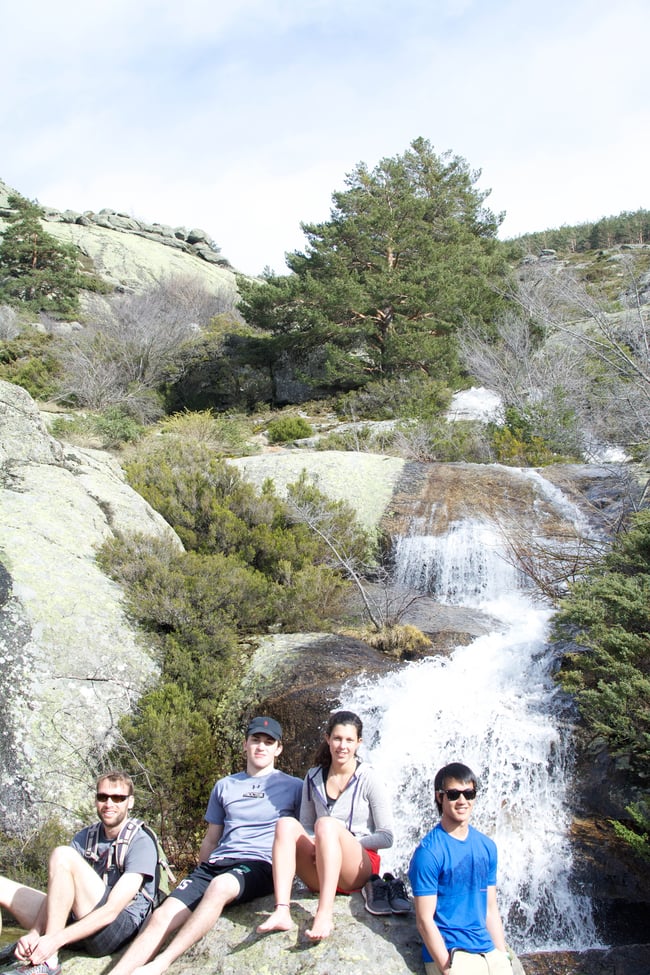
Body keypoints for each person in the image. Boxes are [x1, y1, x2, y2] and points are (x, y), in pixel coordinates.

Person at [106, 716, 301, 975]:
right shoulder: (225, 786)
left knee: (221, 887)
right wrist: (201, 873)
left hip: (259, 865)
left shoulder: (295, 787)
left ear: (278, 748)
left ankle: (161, 964)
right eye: (255, 740)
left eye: (268, 742)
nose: (261, 747)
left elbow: (300, 835)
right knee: (162, 916)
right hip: (217, 864)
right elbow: (212, 837)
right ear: (245, 744)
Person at [0, 770, 158, 975]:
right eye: (103, 797)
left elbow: (112, 911)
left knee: (62, 855)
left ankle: (48, 961)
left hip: (116, 930)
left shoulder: (141, 841)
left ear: (130, 802)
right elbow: (58, 892)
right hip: (77, 924)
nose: (109, 804)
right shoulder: (85, 837)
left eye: (118, 798)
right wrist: (35, 933)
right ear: (96, 800)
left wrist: (53, 941)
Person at [257, 709, 393, 940]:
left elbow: (387, 836)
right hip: (319, 867)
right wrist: (317, 843)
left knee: (327, 825)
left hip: (357, 868)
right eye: (338, 738)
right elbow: (306, 825)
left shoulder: (370, 778)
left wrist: (338, 842)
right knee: (286, 825)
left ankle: (324, 913)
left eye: (349, 740)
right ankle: (282, 910)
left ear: (359, 743)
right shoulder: (313, 777)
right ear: (327, 739)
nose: (343, 746)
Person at [408, 762, 513, 975]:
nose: (462, 800)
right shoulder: (429, 853)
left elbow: (490, 909)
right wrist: (447, 968)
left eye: (469, 793)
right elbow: (424, 920)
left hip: (487, 950)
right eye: (454, 794)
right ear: (440, 797)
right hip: (453, 954)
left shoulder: (486, 847)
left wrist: (503, 956)